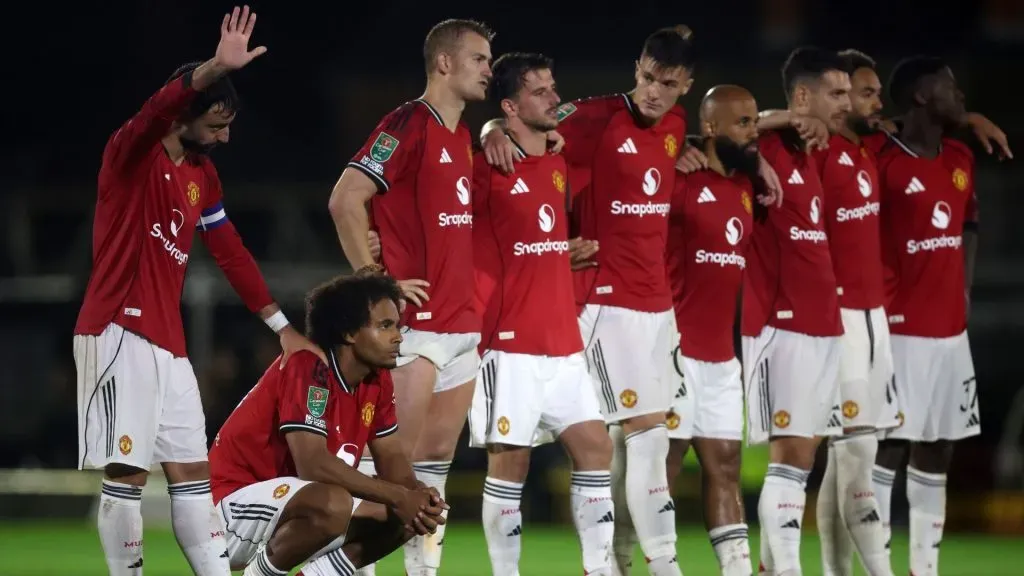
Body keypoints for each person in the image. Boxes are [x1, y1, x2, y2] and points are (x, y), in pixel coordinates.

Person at [72, 7, 321, 575]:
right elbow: (156, 109)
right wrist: (212, 67)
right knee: (128, 476)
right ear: (186, 113)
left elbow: (230, 250)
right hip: (118, 329)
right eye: (215, 122)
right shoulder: (129, 155)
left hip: (169, 343)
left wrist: (282, 328)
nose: (224, 135)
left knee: (191, 475)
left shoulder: (202, 176)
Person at [327, 18, 494, 575]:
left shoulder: (466, 136)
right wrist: (375, 282)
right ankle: (352, 568)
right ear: (444, 63)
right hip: (414, 330)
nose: (488, 69)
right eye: (479, 59)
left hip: (462, 328)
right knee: (389, 469)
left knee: (434, 465)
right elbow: (346, 199)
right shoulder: (406, 123)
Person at [468, 51, 615, 576]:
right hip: (509, 343)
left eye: (554, 87)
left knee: (596, 449)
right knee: (511, 462)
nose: (556, 98)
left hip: (563, 343)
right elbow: (436, 218)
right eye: (541, 91)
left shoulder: (557, 161)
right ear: (510, 105)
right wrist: (486, 131)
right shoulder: (482, 166)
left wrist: (561, 251)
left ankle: (598, 570)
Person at [209, 273, 447, 576]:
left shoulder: (377, 379)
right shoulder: (308, 365)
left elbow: (391, 457)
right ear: (349, 332)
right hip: (229, 509)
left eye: (397, 325)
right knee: (334, 502)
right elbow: (313, 465)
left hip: (293, 510)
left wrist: (417, 494)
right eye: (385, 326)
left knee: (403, 516)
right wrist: (400, 496)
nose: (398, 335)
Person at [871, 56, 981, 576]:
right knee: (888, 446)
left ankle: (924, 568)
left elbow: (970, 223)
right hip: (899, 331)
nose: (959, 95)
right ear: (919, 96)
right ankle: (874, 564)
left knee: (938, 448)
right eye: (949, 86)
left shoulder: (960, 156)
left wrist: (964, 291)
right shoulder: (880, 158)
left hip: (950, 336)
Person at [742, 47, 850, 576]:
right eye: (837, 94)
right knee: (788, 460)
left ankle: (770, 568)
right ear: (803, 96)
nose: (847, 105)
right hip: (780, 326)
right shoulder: (764, 144)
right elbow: (727, 124)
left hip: (825, 325)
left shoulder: (815, 155)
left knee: (803, 461)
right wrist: (785, 119)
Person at [805, 49, 897, 576]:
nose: (871, 102)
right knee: (855, 461)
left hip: (873, 318)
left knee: (846, 461)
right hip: (837, 322)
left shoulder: (864, 151)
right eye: (863, 93)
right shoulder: (815, 151)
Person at [663, 85, 760, 576]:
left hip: (723, 357)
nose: (754, 131)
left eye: (756, 121)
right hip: (675, 352)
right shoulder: (678, 182)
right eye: (744, 122)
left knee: (725, 465)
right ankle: (623, 561)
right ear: (713, 128)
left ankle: (737, 569)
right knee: (664, 468)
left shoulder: (746, 189)